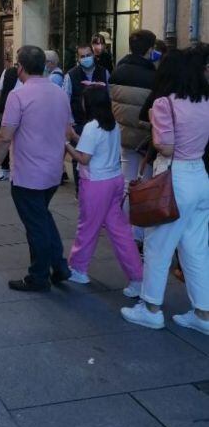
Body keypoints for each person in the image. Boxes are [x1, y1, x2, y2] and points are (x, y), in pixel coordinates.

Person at [121, 47, 209, 334]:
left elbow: (166, 146)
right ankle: (203, 313)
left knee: (158, 246)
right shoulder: (205, 101)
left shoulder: (163, 104)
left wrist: (157, 129)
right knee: (196, 248)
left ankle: (150, 308)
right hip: (200, 177)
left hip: (174, 177)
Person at [0, 45, 74, 292]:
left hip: (28, 176)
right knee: (43, 218)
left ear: (20, 67)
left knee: (36, 226)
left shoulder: (19, 96)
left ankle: (38, 276)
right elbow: (68, 131)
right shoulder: (59, 93)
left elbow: (4, 137)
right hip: (53, 172)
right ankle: (59, 267)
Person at [63, 86, 143, 294]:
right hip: (114, 180)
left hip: (96, 184)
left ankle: (78, 268)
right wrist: (73, 137)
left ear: (88, 104)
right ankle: (137, 278)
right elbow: (94, 149)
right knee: (121, 232)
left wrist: (66, 144)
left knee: (87, 228)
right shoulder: (112, 124)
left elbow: (84, 158)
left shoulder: (91, 127)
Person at [110, 29, 157, 229]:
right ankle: (136, 230)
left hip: (123, 134)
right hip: (145, 139)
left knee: (126, 178)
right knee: (144, 184)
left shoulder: (118, 70)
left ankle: (121, 224)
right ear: (150, 49)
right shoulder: (153, 76)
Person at [63, 43, 109, 193]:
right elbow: (66, 100)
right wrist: (70, 123)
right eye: (82, 56)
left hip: (101, 122)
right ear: (78, 58)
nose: (86, 58)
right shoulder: (71, 75)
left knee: (99, 155)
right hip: (80, 123)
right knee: (80, 159)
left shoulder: (104, 73)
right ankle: (80, 189)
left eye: (88, 55)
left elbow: (110, 96)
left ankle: (98, 186)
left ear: (93, 55)